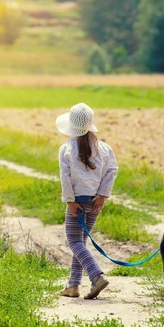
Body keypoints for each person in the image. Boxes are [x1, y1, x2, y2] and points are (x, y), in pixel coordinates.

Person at [56, 103, 118, 299]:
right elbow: (112, 171)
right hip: (95, 203)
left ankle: (96, 276)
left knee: (74, 241)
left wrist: (69, 201)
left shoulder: (66, 148)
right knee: (81, 241)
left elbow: (65, 177)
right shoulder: (104, 148)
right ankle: (73, 285)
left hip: (77, 202)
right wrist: (102, 195)